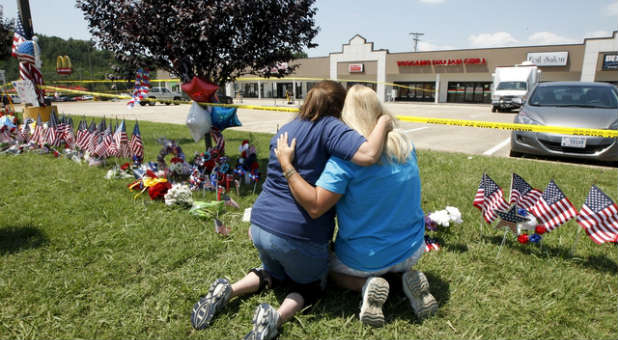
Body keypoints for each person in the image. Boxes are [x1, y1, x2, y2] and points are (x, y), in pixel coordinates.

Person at [190, 80, 392, 339]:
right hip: (297, 234)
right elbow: (369, 154)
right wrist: (384, 122)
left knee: (274, 272)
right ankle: (276, 317)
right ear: (338, 107)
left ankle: (228, 290)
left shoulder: (285, 130)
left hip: (261, 226)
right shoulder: (330, 126)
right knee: (310, 286)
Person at [274, 84, 438, 327]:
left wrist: (288, 166)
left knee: (326, 268)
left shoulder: (344, 161)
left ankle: (369, 285)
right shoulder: (405, 146)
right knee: (390, 254)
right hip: (412, 248)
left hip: (364, 259)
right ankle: (404, 278)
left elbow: (316, 205)